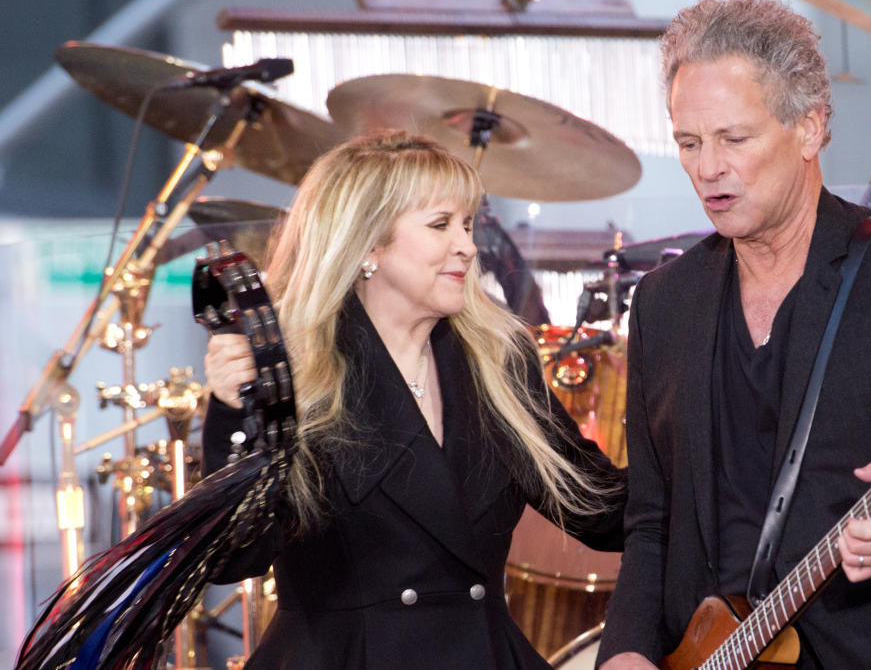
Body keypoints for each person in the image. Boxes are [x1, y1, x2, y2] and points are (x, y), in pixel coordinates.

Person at [596, 0, 871, 670]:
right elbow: (651, 521)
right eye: (688, 142)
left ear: (810, 126)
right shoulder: (662, 303)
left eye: (734, 139)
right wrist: (624, 651)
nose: (707, 168)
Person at [200, 130, 625, 669]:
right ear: (370, 245)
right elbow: (235, 554)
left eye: (467, 224)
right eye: (440, 225)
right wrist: (231, 410)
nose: (468, 246)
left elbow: (602, 510)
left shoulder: (500, 362)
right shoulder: (299, 374)